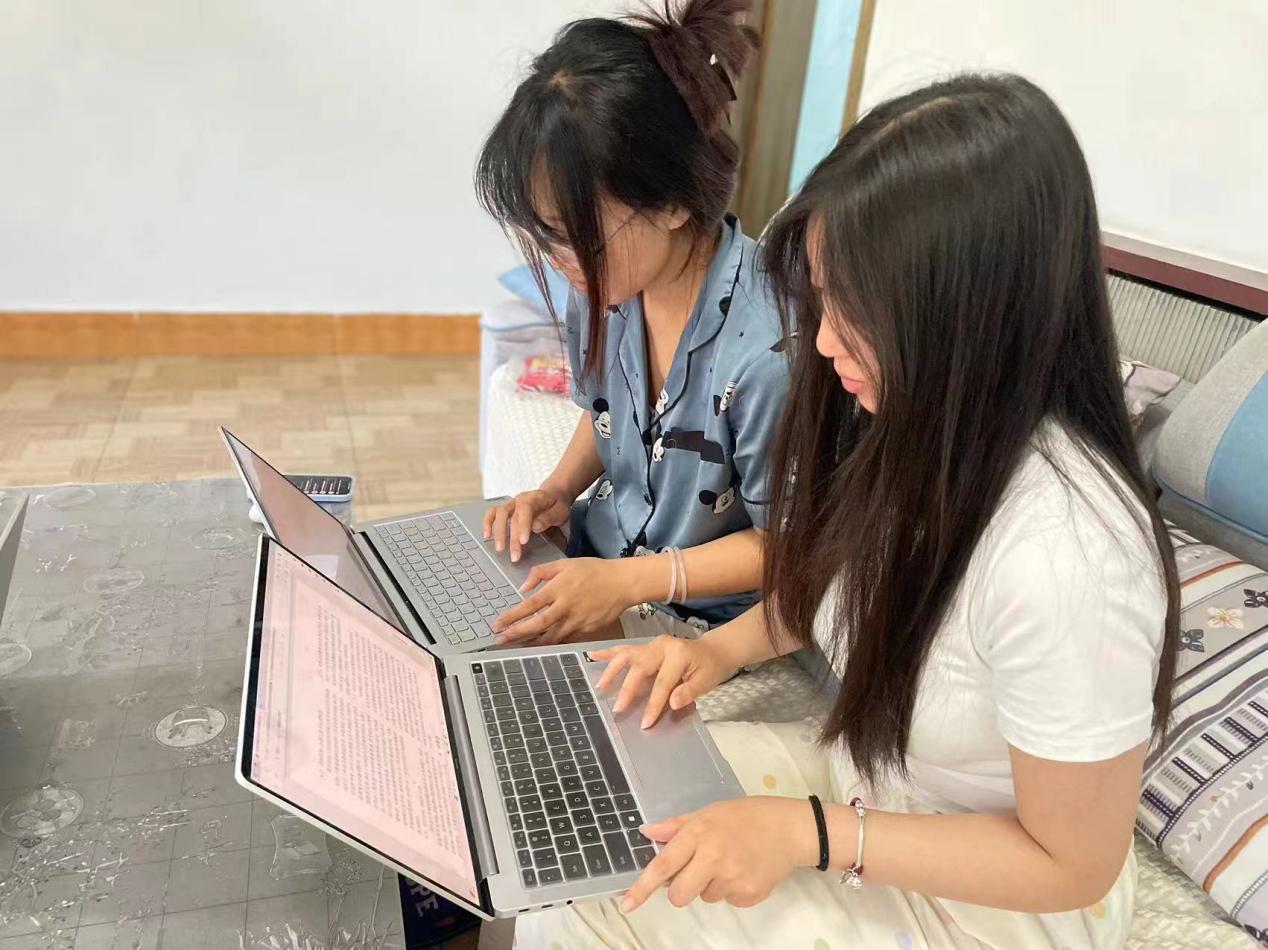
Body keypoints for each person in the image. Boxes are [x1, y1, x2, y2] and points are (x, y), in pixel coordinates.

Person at [517, 73, 1181, 949]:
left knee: (611, 905)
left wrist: (812, 837)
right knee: (581, 821)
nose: (823, 341)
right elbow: (839, 588)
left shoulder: (1070, 554)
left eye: (854, 309)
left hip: (1000, 903)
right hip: (874, 788)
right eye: (822, 298)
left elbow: (1073, 864)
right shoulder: (916, 427)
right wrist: (715, 651)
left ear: (968, 313)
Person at [474, 0, 790, 646]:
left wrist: (628, 585)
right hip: (603, 568)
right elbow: (607, 416)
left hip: (698, 630)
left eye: (573, 236)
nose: (558, 261)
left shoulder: (769, 353)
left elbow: (785, 546)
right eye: (544, 236)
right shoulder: (606, 287)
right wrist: (556, 491)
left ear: (671, 201)